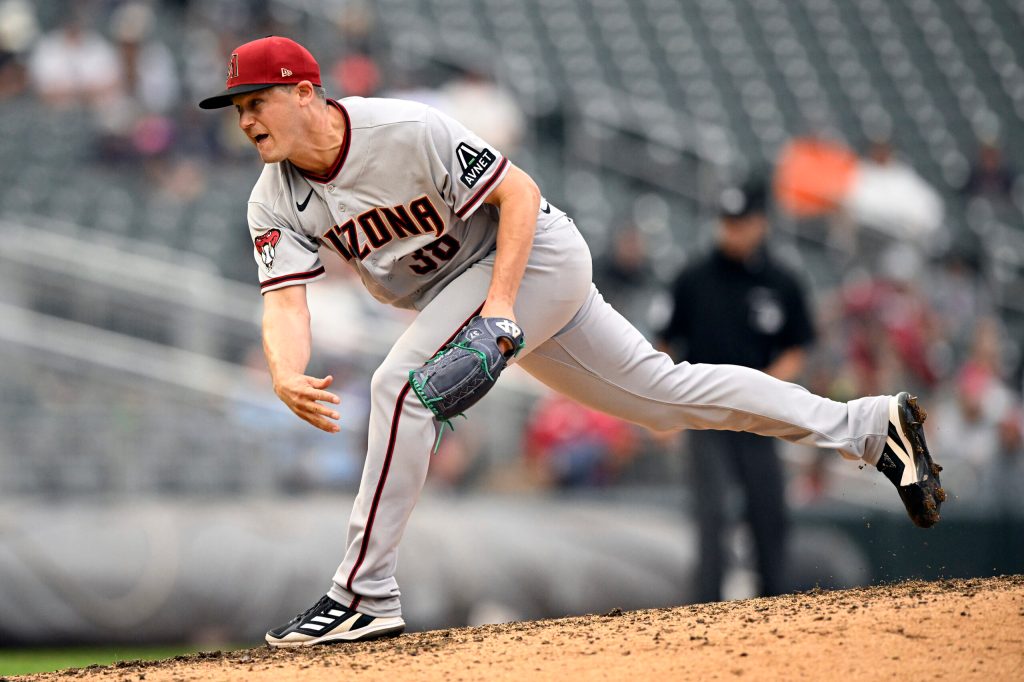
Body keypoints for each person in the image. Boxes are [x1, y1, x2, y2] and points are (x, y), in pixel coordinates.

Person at [198, 36, 945, 647]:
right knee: (664, 398)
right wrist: (283, 370)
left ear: (304, 92)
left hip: (532, 259)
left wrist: (498, 307)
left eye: (255, 101)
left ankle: (362, 592)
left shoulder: (404, 129)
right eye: (237, 109)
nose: (245, 121)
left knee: (400, 387)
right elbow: (284, 302)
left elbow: (516, 192)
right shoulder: (274, 195)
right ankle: (870, 426)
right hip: (474, 293)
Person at [658, 178, 814, 602]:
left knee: (769, 511)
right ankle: (706, 609)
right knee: (712, 514)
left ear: (760, 224)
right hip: (704, 412)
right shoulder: (693, 278)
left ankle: (773, 604)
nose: (731, 230)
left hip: (759, 415)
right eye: (726, 222)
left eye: (740, 222)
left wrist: (764, 389)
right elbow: (665, 344)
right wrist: (662, 407)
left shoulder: (781, 281)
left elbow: (798, 346)